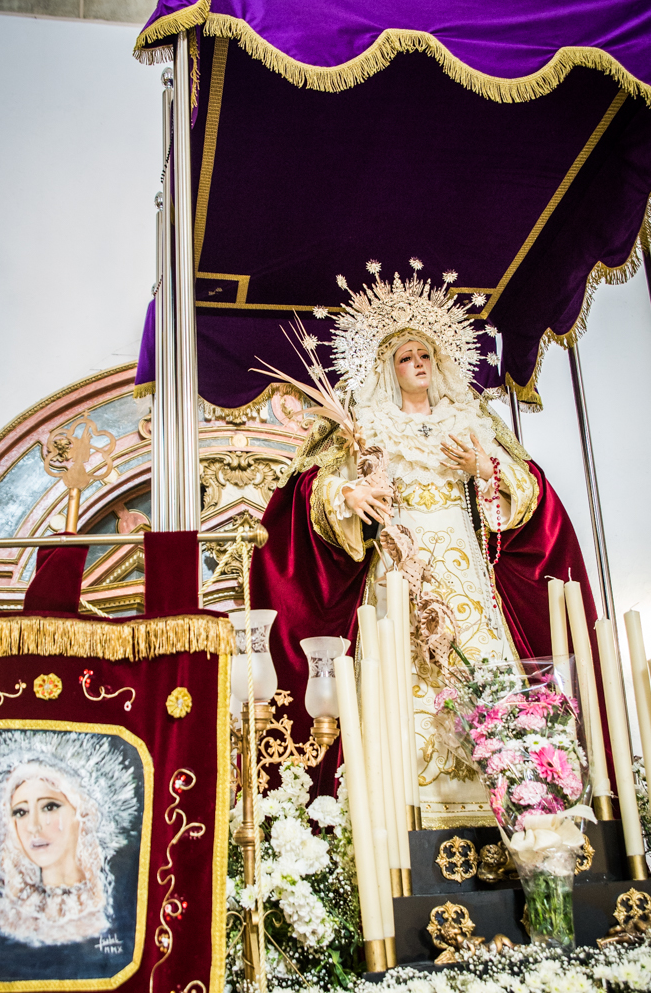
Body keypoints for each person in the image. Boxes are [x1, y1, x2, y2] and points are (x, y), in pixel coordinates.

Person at [251, 262, 604, 824]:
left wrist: (484, 470)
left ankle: (516, 802)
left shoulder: (470, 418)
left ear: (441, 361)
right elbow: (315, 488)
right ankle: (402, 813)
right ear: (387, 370)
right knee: (402, 676)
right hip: (398, 570)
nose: (417, 365)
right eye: (404, 358)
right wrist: (353, 494)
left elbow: (525, 494)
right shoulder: (364, 425)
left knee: (483, 666)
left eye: (425, 355)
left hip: (466, 571)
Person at [0, 728, 140, 947]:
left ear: (83, 814)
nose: (33, 827)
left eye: (50, 807)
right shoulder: (5, 919)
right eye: (20, 812)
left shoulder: (115, 913)